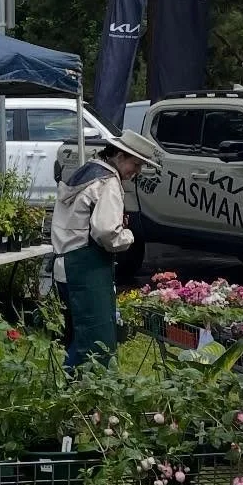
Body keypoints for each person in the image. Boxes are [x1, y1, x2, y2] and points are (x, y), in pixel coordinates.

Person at [50, 128, 159, 369]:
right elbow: (106, 231)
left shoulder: (87, 171)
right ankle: (81, 395)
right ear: (120, 156)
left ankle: (69, 392)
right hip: (86, 268)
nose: (137, 172)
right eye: (136, 164)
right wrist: (128, 236)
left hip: (65, 265)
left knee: (78, 335)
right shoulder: (108, 182)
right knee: (96, 343)